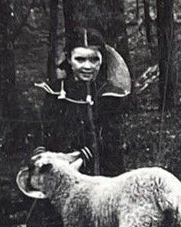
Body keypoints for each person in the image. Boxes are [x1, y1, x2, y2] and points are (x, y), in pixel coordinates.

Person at [34, 26, 131, 176]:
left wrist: (80, 159)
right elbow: (42, 133)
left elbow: (111, 142)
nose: (88, 66)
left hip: (98, 172)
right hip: (55, 169)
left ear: (102, 59)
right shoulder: (54, 91)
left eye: (94, 59)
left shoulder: (109, 94)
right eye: (80, 59)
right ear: (69, 59)